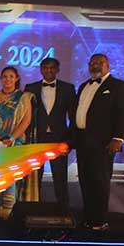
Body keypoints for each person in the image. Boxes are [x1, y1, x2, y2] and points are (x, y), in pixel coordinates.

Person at [72, 53, 124, 231]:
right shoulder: (84, 86)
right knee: (85, 181)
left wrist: (118, 138)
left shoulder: (119, 86)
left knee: (100, 182)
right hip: (82, 141)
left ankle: (99, 221)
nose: (95, 66)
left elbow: (123, 113)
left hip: (103, 143)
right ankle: (89, 219)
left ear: (108, 65)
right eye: (92, 63)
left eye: (99, 62)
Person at [0, 66, 34, 219]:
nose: (8, 79)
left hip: (14, 143)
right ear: (0, 79)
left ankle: (8, 212)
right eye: (5, 76)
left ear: (16, 79)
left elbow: (26, 121)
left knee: (10, 177)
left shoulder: (24, 98)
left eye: (11, 76)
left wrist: (11, 138)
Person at [24, 58, 74, 207]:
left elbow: (73, 116)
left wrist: (70, 141)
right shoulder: (30, 88)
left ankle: (63, 210)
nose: (49, 70)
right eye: (45, 67)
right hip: (36, 138)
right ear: (41, 69)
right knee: (34, 178)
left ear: (58, 70)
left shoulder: (68, 88)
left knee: (60, 177)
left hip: (59, 138)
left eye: (52, 67)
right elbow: (25, 115)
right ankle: (33, 210)